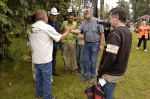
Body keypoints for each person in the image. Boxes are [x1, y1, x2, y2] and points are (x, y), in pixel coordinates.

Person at [29, 10, 70, 99]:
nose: (47, 19)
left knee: (38, 77)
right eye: (47, 17)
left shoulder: (30, 28)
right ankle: (47, 97)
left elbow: (29, 44)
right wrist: (67, 31)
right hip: (45, 59)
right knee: (47, 79)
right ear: (44, 18)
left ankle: (38, 94)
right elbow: (60, 38)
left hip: (35, 58)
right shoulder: (47, 27)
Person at [97, 7, 132, 99]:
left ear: (116, 17)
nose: (109, 20)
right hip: (119, 70)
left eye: (110, 18)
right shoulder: (127, 31)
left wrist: (100, 70)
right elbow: (111, 43)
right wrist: (107, 30)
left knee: (106, 96)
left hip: (110, 73)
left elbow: (110, 57)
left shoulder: (116, 33)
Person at [70, 6, 104, 84]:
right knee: (85, 60)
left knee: (93, 61)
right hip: (86, 44)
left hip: (95, 43)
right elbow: (79, 30)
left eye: (87, 11)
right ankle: (85, 75)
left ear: (92, 12)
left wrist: (101, 44)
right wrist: (71, 30)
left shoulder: (98, 21)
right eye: (85, 11)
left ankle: (92, 76)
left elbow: (102, 33)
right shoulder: (84, 23)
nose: (86, 12)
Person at [48, 7, 60, 76]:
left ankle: (53, 71)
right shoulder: (48, 23)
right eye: (53, 15)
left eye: (55, 15)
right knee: (49, 58)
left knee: (54, 58)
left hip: (56, 43)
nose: (54, 16)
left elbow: (59, 32)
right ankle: (49, 71)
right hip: (50, 43)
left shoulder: (58, 23)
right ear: (51, 15)